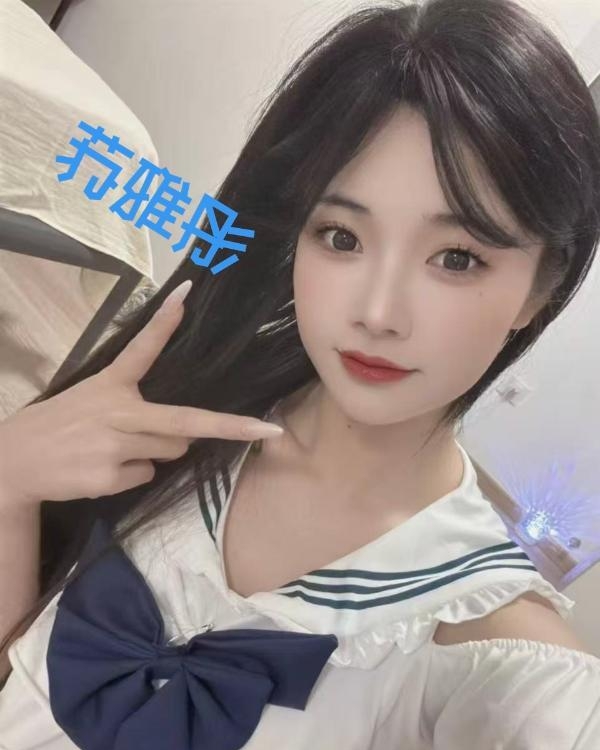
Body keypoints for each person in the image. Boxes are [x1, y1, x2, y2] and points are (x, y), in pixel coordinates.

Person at [1, 0, 600, 747]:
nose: (377, 313)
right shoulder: (180, 402)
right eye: (340, 236)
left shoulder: (492, 660)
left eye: (456, 257)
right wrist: (11, 482)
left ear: (541, 289)